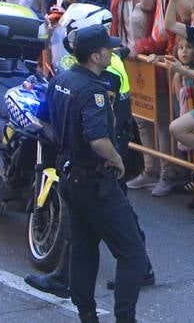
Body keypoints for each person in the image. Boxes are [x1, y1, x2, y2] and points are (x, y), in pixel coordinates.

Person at [45, 23, 149, 323]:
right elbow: (98, 138)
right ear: (94, 56)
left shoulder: (62, 78)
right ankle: (124, 318)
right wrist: (117, 159)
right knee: (133, 254)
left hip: (71, 176)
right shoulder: (94, 90)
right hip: (94, 181)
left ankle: (87, 315)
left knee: (84, 248)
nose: (112, 51)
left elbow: (46, 118)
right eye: (107, 48)